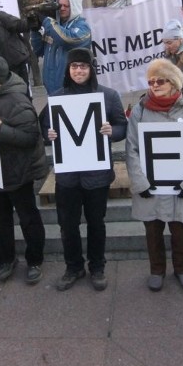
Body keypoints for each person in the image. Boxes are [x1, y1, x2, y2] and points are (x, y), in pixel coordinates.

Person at [39, 48, 128, 292]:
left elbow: (123, 126)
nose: (79, 70)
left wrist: (113, 131)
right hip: (67, 176)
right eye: (75, 66)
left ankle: (97, 267)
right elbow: (44, 128)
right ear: (68, 70)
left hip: (96, 175)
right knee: (67, 225)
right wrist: (49, 135)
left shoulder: (108, 96)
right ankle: (74, 267)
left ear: (91, 69)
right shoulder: (56, 97)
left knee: (96, 223)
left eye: (84, 66)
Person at [126, 59, 183, 292]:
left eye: (160, 80)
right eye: (151, 81)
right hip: (151, 186)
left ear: (173, 82)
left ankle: (182, 269)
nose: (154, 85)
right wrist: (140, 181)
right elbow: (131, 149)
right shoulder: (140, 110)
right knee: (153, 231)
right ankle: (156, 270)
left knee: (181, 230)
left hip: (181, 186)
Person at [0, 56, 48, 285]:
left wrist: (1, 130)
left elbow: (32, 137)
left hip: (19, 173)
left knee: (28, 219)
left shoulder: (16, 100)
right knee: (0, 220)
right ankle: (6, 260)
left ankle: (34, 261)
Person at [31, 0, 92, 95]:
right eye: (60, 6)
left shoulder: (83, 27)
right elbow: (38, 50)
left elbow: (67, 39)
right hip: (52, 90)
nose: (62, 8)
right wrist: (35, 29)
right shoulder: (54, 27)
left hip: (73, 89)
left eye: (66, 6)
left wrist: (46, 21)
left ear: (74, 7)